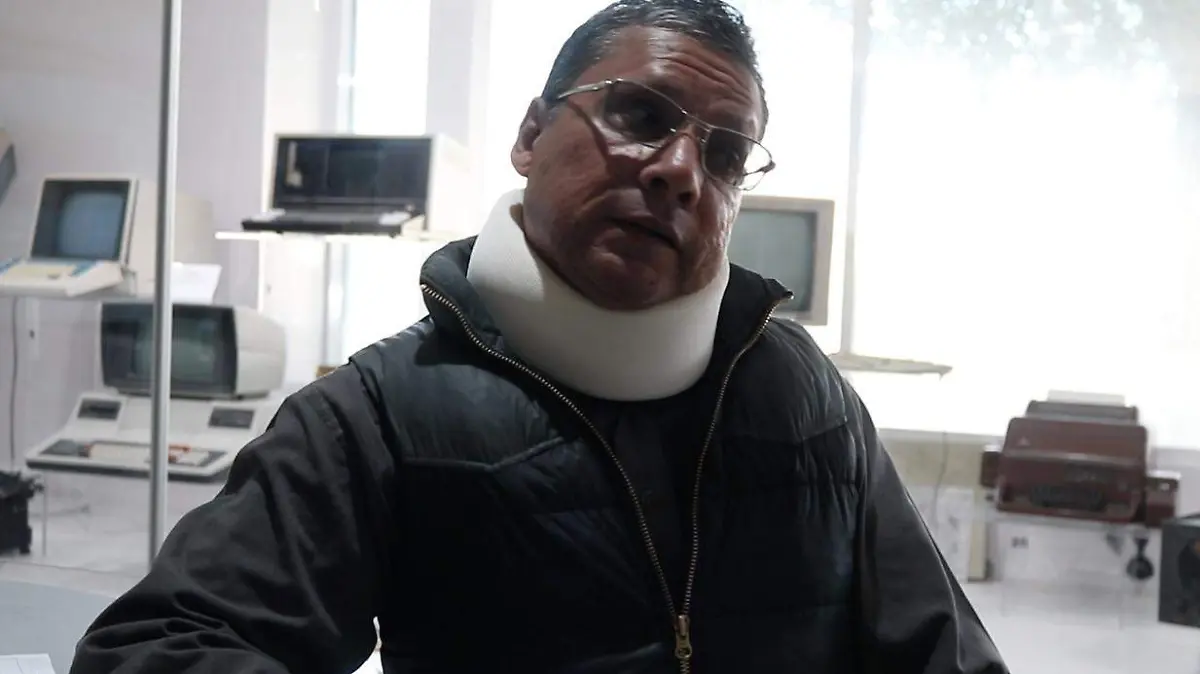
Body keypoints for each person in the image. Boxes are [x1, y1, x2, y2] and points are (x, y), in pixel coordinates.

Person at [71, 1, 1008, 672]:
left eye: (725, 154)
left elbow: (943, 649)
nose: (681, 172)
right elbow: (160, 648)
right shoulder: (380, 411)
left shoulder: (803, 390)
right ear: (530, 135)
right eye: (640, 115)